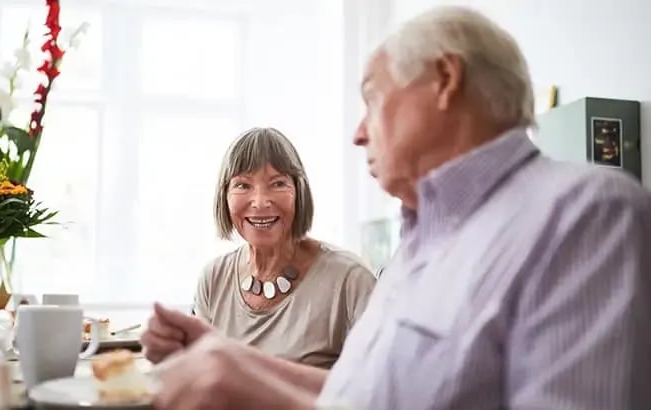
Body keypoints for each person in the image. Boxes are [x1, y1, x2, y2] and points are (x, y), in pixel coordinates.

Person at [144, 6, 651, 409]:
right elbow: (360, 398)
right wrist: (222, 354)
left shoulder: (587, 215)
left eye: (372, 98)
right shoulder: (420, 243)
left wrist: (259, 392)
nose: (359, 132)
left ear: (445, 79)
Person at [141, 127, 376, 369]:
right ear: (225, 197)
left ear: (299, 192)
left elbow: (377, 389)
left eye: (278, 183)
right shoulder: (214, 278)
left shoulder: (349, 278)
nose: (261, 202)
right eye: (243, 185)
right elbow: (198, 375)